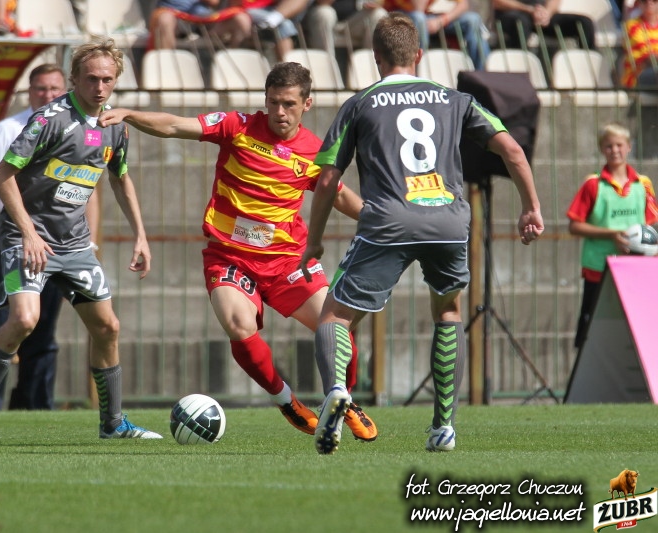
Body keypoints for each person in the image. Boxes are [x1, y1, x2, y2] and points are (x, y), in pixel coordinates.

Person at [299, 13, 544, 455]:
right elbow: (512, 149)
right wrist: (531, 206)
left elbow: (328, 179)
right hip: (447, 221)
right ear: (419, 55)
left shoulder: (360, 103)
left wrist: (314, 239)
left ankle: (336, 390)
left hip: (389, 221)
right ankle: (443, 427)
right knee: (448, 312)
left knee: (334, 317)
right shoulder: (455, 99)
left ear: (375, 58)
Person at [99, 62, 379, 442]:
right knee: (238, 324)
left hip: (287, 260)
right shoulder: (238, 127)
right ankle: (287, 402)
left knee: (335, 325)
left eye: (289, 104)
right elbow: (175, 126)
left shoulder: (315, 151)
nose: (280, 112)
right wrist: (129, 113)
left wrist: (379, 220)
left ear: (307, 104)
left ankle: (344, 400)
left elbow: (340, 196)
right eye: (273, 102)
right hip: (230, 256)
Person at [0, 36, 161, 441]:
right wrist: (29, 233)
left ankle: (113, 424)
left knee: (108, 327)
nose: (99, 87)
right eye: (91, 79)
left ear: (116, 80)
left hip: (75, 244)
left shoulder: (114, 127)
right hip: (26, 238)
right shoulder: (50, 120)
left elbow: (120, 179)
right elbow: (1, 174)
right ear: (74, 79)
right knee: (24, 320)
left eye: (107, 80)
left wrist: (141, 235)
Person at [0, 63, 81, 411]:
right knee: (4, 321)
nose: (48, 95)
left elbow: (89, 190)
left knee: (44, 329)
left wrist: (90, 242)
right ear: (29, 91)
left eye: (55, 88)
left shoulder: (76, 127)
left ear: (65, 90)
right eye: (41, 88)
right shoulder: (9, 128)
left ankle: (35, 406)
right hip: (11, 237)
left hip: (54, 239)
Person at [566, 123, 658, 350]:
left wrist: (648, 249)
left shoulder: (642, 184)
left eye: (619, 145)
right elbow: (574, 226)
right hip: (599, 267)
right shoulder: (593, 184)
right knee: (592, 326)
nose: (614, 150)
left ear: (629, 147)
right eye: (609, 146)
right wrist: (612, 235)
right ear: (601, 149)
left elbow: (649, 224)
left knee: (636, 327)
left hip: (635, 267)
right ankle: (586, 363)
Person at [383, 0, 489, 70]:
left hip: (428, 16)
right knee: (419, 19)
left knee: (473, 19)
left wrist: (442, 20)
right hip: (398, 16)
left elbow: (463, 5)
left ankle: (483, 75)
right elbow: (418, 9)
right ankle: (419, 70)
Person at [491, 0, 596, 52]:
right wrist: (529, 10)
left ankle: (588, 69)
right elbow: (497, 2)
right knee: (520, 24)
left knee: (584, 23)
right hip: (513, 13)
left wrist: (547, 13)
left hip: (542, 14)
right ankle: (519, 72)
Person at [149, 0, 252, 50]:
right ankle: (166, 68)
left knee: (242, 20)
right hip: (173, 17)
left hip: (204, 20)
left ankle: (235, 62)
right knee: (165, 19)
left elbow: (214, 2)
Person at [304, 0, 388, 57]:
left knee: (379, 14)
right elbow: (322, 2)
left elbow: (378, 2)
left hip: (352, 21)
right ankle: (326, 69)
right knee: (325, 13)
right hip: (325, 18)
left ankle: (368, 69)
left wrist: (373, 2)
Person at [243, 0, 310, 61]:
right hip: (249, 8)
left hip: (273, 8)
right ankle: (285, 68)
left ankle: (272, 21)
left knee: (283, 23)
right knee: (284, 25)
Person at [621, 0, 658, 88]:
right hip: (638, 76)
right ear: (639, 3)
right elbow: (648, 58)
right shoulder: (632, 26)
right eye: (644, 0)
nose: (649, 2)